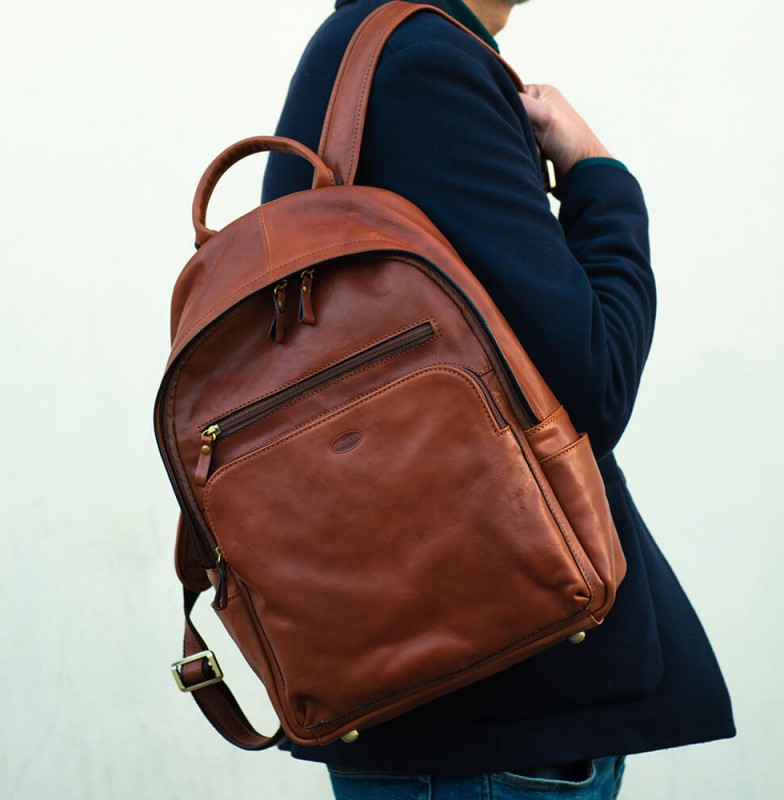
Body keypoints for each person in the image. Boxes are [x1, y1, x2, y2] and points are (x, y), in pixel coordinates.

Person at [262, 1, 735, 796]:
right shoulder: (424, 64)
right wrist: (598, 177)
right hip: (499, 713)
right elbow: (593, 386)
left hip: (424, 696)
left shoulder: (358, 54)